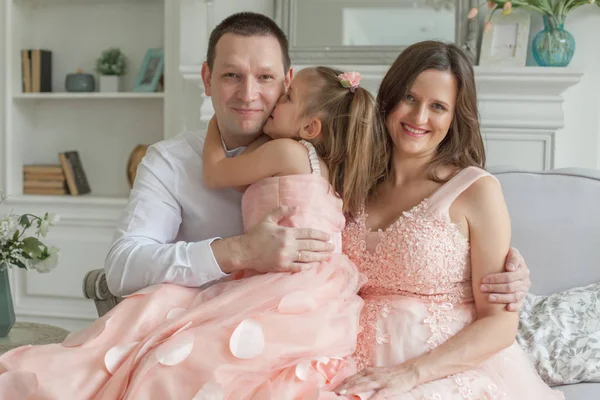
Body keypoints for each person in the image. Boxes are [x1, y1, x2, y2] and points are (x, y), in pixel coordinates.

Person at [0, 64, 383, 399]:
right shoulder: (313, 164)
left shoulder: (286, 152)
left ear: (310, 126)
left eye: (284, 95)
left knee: (204, 352)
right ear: (208, 79)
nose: (268, 99)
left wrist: (218, 119)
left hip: (287, 283)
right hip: (317, 287)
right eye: (230, 77)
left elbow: (217, 173)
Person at [103, 12, 531, 311]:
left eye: (267, 79)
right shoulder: (170, 162)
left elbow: (424, 250)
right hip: (210, 322)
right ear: (206, 79)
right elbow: (122, 268)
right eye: (231, 75)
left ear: (288, 82)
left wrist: (510, 277)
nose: (249, 94)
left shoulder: (349, 173)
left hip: (310, 322)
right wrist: (236, 252)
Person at [330, 41, 563, 399]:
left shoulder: (475, 190)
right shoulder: (352, 180)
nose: (419, 117)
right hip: (349, 366)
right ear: (389, 98)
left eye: (437, 106)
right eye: (410, 98)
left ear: (455, 116)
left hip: (438, 373)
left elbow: (500, 323)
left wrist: (409, 374)